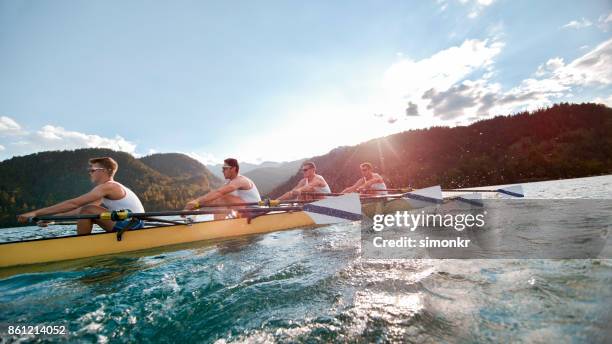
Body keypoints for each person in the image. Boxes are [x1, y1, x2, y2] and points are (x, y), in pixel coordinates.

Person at [17, 157, 145, 235]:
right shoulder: (105, 190)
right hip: (131, 222)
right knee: (88, 210)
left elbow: (74, 204)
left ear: (105, 171)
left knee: (88, 209)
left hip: (132, 224)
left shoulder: (109, 187)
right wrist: (53, 218)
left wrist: (35, 213)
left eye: (92, 170)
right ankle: (83, 242)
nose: (90, 173)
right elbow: (80, 211)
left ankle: (82, 244)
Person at [184, 158, 261, 219]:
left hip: (255, 212)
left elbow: (219, 193)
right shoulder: (229, 183)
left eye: (225, 168)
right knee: (217, 198)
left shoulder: (241, 180)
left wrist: (197, 201)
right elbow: (214, 198)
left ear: (233, 169)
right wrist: (194, 206)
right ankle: (218, 225)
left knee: (222, 197)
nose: (222, 171)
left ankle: (217, 227)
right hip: (243, 211)